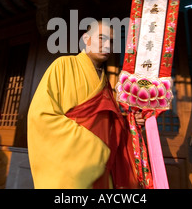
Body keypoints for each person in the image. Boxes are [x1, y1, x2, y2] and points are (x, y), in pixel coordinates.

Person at [27, 19, 143, 189]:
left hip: (104, 166)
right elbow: (41, 116)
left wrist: (129, 122)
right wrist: (94, 147)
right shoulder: (62, 66)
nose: (107, 45)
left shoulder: (106, 84)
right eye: (101, 38)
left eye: (111, 42)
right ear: (86, 39)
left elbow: (109, 123)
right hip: (74, 166)